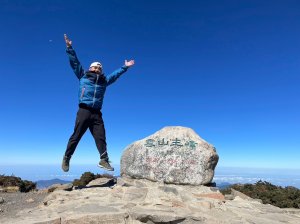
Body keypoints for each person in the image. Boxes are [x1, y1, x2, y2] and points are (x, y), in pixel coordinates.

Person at [62, 34, 135, 172]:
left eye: (99, 68)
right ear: (90, 68)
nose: (97, 69)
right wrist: (69, 47)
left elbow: (115, 75)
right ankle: (67, 157)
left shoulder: (104, 81)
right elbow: (74, 63)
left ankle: (104, 160)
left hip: (96, 113)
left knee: (101, 137)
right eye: (94, 67)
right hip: (84, 110)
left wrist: (125, 67)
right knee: (76, 136)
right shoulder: (83, 76)